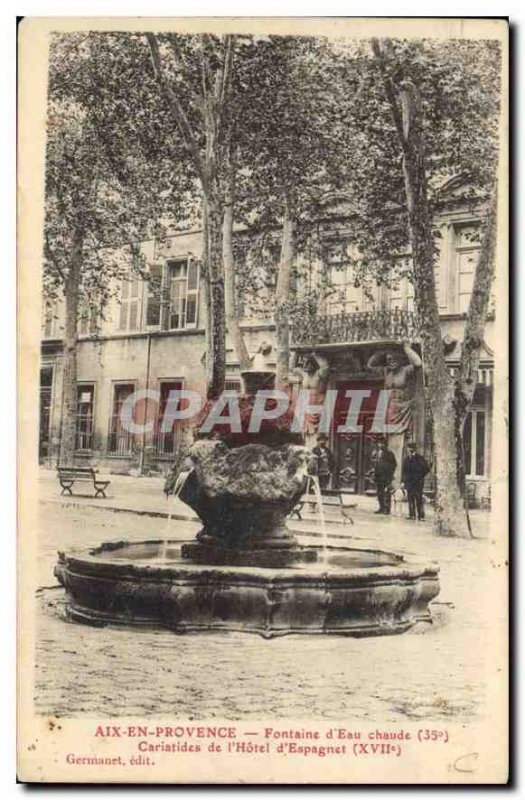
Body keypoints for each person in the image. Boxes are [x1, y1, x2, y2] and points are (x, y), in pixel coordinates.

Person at [402, 442, 430, 520]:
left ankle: (421, 516)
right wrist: (403, 481)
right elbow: (404, 472)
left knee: (418, 499)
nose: (408, 450)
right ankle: (412, 515)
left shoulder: (420, 458)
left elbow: (426, 469)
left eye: (410, 448)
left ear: (413, 449)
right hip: (409, 483)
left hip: (418, 483)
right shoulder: (406, 459)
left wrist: (420, 476)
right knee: (410, 498)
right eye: (408, 448)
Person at [373, 440, 397, 515]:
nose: (380, 445)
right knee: (379, 493)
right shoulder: (378, 453)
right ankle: (381, 507)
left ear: (385, 445)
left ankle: (387, 509)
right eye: (379, 443)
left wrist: (389, 473)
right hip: (378, 477)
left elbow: (394, 464)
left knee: (387, 493)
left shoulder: (390, 453)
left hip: (386, 477)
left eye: (382, 443)